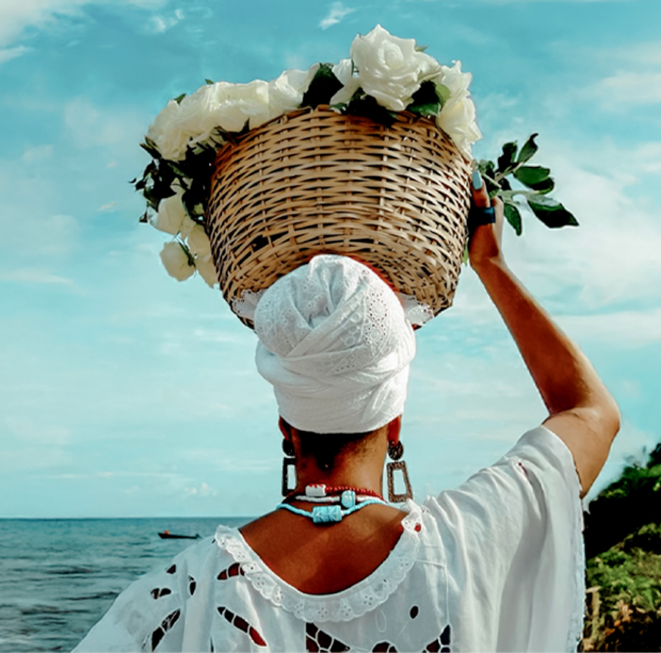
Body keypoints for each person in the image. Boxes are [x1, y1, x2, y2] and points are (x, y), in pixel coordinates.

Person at [73, 179, 619, 652]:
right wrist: (489, 264)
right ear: (394, 421)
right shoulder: (468, 538)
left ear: (287, 428)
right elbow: (589, 410)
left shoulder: (191, 589)